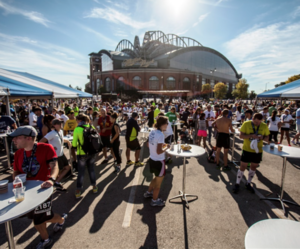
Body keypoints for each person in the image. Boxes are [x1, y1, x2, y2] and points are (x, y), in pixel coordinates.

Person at [10, 126, 67, 249]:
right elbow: (15, 171)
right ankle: (61, 219)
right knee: (44, 216)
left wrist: (51, 179)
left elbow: (54, 166)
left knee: (39, 220)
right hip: (25, 192)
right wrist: (16, 180)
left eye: (17, 138)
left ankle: (46, 239)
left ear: (29, 138)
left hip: (42, 190)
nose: (14, 140)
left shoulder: (46, 148)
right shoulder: (18, 153)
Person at [233, 113, 270, 194]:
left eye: (259, 122)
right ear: (253, 119)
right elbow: (241, 136)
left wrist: (262, 137)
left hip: (258, 151)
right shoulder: (246, 123)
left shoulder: (264, 125)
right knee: (243, 166)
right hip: (247, 150)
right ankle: (237, 183)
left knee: (253, 167)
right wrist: (251, 135)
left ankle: (248, 183)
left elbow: (267, 138)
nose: (257, 124)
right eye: (256, 122)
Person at [144, 116, 170, 207]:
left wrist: (162, 145)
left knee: (156, 178)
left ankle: (148, 192)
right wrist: (166, 147)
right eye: (167, 123)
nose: (167, 125)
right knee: (158, 184)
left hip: (152, 159)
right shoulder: (161, 135)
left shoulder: (152, 131)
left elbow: (148, 144)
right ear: (162, 124)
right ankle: (154, 201)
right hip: (159, 161)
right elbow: (159, 151)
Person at [40, 119, 72, 191]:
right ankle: (56, 182)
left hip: (61, 153)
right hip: (56, 155)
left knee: (67, 167)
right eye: (59, 123)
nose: (61, 125)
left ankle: (56, 182)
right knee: (62, 169)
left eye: (61, 123)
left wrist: (67, 141)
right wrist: (50, 147)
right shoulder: (51, 133)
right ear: (54, 125)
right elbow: (41, 142)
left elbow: (61, 139)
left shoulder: (60, 131)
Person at [72, 114, 98, 198]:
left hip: (82, 153)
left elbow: (74, 143)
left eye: (77, 120)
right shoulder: (92, 127)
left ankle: (78, 190)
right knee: (91, 170)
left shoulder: (77, 129)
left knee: (81, 172)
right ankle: (94, 187)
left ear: (79, 121)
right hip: (92, 152)